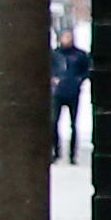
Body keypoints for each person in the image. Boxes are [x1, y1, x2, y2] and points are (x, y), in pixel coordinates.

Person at [48, 23, 92, 164]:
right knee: (54, 122)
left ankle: (73, 154)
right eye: (64, 36)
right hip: (58, 92)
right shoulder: (55, 55)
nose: (66, 39)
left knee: (73, 124)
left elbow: (87, 70)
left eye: (69, 36)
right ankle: (56, 151)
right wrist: (53, 78)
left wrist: (79, 80)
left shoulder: (79, 55)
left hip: (73, 92)